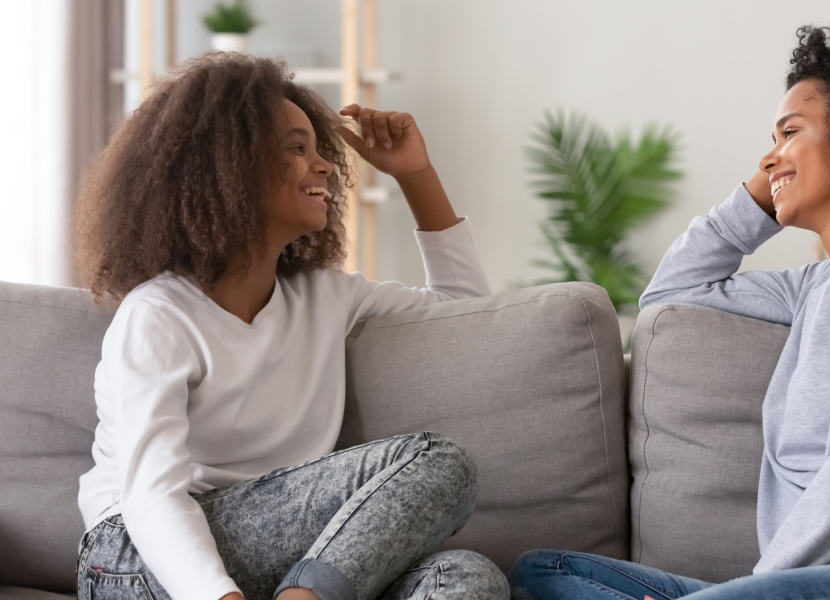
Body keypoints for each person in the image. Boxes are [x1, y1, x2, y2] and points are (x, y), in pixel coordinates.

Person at [509, 12, 830, 600]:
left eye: (790, 132)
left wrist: (763, 586)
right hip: (818, 577)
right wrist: (764, 189)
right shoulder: (816, 287)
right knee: (544, 572)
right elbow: (671, 296)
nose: (770, 157)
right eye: (771, 142)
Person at [75, 52, 509, 600]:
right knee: (439, 464)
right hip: (136, 560)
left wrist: (416, 175)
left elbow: (467, 316)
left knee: (466, 578)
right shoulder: (157, 314)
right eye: (297, 149)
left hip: (282, 562)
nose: (324, 165)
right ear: (228, 167)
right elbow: (152, 496)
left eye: (318, 148)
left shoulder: (326, 296)